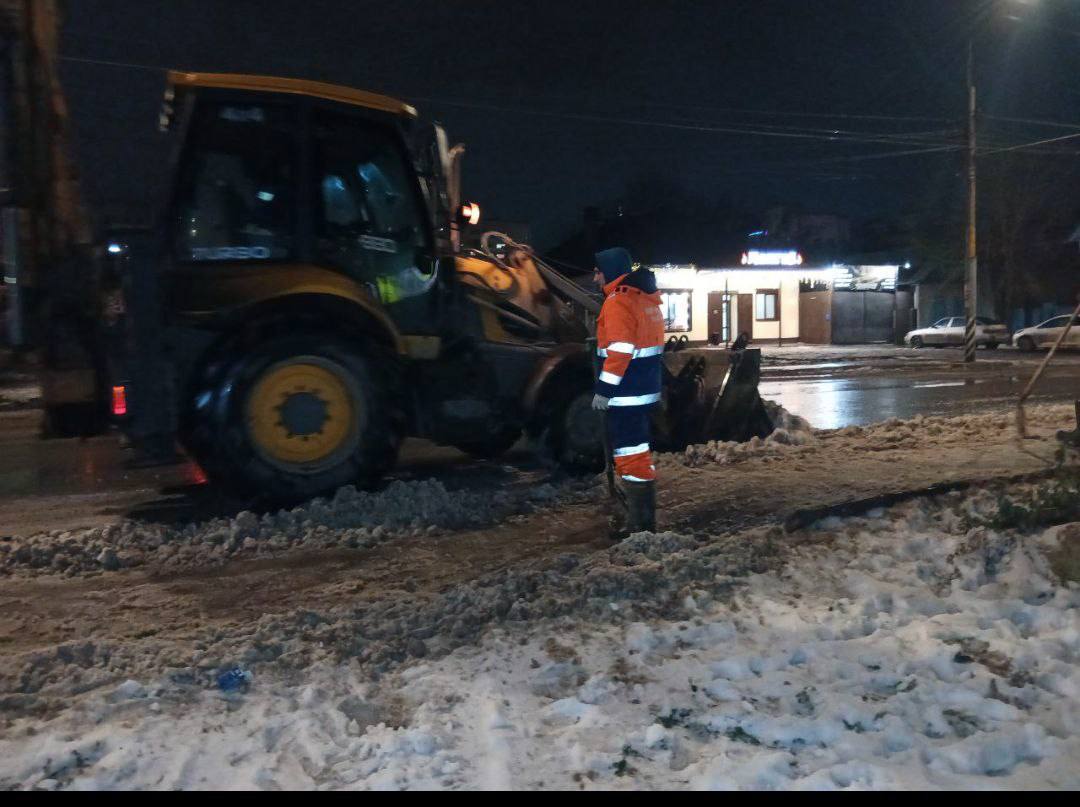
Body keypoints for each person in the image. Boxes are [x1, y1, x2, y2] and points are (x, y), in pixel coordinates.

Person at [591, 247, 665, 534]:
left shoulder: (618, 301)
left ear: (609, 270)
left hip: (626, 393)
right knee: (638, 452)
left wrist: (604, 391)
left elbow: (621, 350)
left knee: (629, 454)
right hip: (643, 390)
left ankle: (640, 525)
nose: (595, 277)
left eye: (598, 271)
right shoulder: (644, 298)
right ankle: (641, 519)